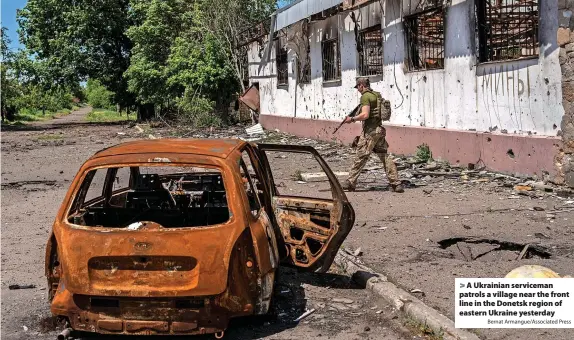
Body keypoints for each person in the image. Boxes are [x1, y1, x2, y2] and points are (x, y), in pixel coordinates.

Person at [342, 77, 404, 193]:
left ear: (361, 85)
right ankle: (396, 184)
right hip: (379, 131)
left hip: (370, 132)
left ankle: (350, 182)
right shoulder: (376, 95)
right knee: (384, 156)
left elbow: (365, 115)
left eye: (358, 87)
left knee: (361, 156)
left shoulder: (365, 96)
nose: (358, 90)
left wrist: (352, 119)